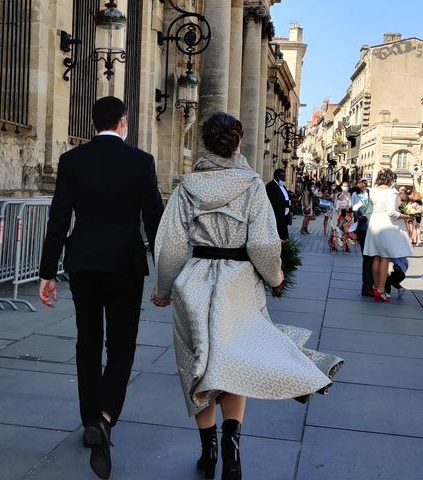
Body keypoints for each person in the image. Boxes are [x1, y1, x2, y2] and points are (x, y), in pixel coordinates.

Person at [152, 112, 343, 480]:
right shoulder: (253, 186)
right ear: (237, 143)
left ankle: (207, 453)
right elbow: (262, 243)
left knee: (198, 366)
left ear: (205, 143)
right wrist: (275, 276)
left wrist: (163, 289)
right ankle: (232, 449)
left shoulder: (186, 187)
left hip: (195, 282)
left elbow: (172, 247)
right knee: (237, 360)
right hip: (239, 283)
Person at [38, 96, 165, 479]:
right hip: (125, 265)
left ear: (94, 124)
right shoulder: (141, 162)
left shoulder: (71, 161)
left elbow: (58, 217)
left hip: (84, 264)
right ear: (123, 122)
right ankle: (106, 417)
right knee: (122, 346)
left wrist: (46, 272)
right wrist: (167, 273)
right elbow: (155, 219)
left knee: (87, 342)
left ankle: (90, 419)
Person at [363, 169, 414, 303]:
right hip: (387, 224)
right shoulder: (392, 192)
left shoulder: (372, 190)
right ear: (391, 179)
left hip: (375, 222)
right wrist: (405, 216)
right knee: (385, 257)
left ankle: (376, 287)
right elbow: (392, 213)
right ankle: (381, 289)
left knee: (376, 257)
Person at [351, 180, 374, 296]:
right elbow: (354, 207)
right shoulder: (356, 194)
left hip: (365, 226)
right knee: (370, 258)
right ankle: (369, 286)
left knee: (368, 258)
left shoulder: (370, 193)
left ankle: (368, 286)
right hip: (366, 226)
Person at [266, 168, 291, 241]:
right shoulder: (270, 186)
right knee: (278, 235)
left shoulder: (282, 186)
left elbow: (285, 196)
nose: (284, 179)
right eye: (283, 177)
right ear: (277, 177)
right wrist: (288, 203)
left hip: (284, 215)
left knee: (284, 236)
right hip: (277, 215)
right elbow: (273, 201)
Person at [328, 182, 354, 252]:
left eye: (346, 186)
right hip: (337, 214)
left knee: (346, 230)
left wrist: (347, 208)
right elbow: (336, 205)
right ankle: (333, 244)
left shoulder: (349, 194)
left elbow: (350, 205)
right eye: (344, 186)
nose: (345, 187)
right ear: (341, 186)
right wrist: (341, 208)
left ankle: (347, 246)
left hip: (347, 215)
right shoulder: (338, 194)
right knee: (335, 229)